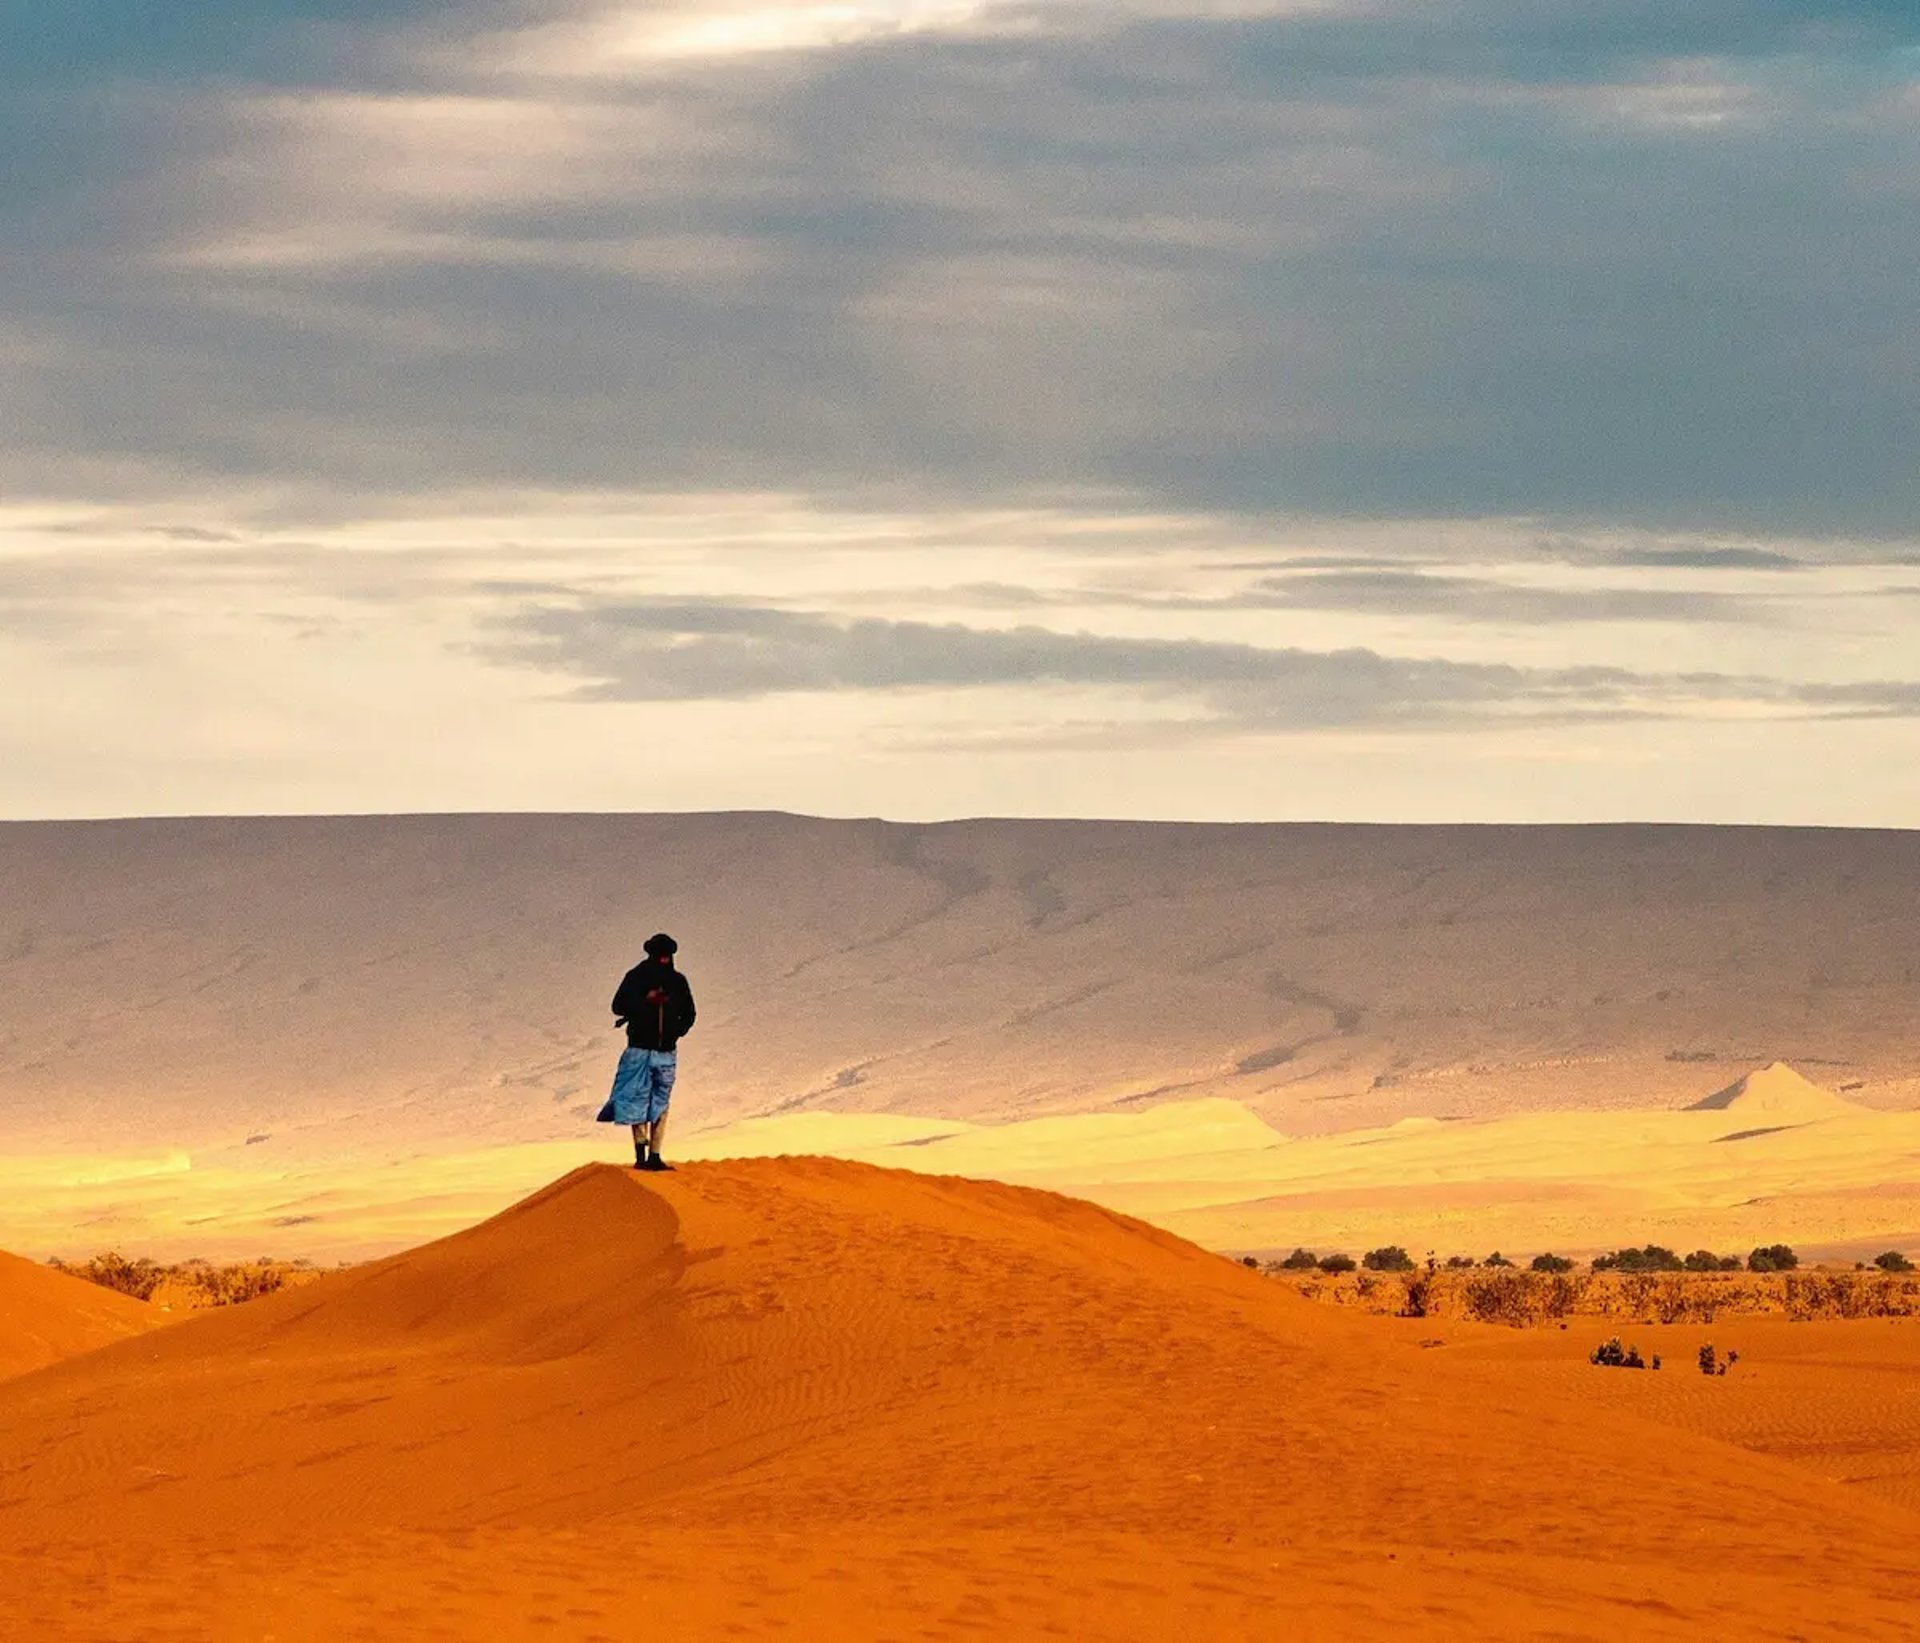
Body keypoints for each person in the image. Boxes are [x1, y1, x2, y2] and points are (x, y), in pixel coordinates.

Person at [598, 932, 697, 1171]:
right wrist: (645, 1000)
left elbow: (690, 1013)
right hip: (639, 1049)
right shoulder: (636, 977)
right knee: (637, 1100)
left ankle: (654, 1155)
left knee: (660, 1102)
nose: (664, 960)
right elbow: (618, 1006)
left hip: (665, 1051)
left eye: (666, 956)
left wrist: (676, 1031)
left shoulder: (678, 982)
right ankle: (641, 1156)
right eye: (660, 955)